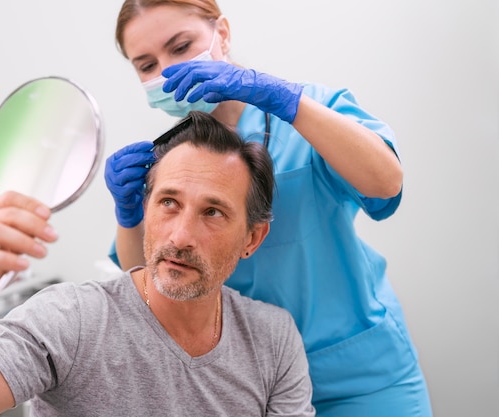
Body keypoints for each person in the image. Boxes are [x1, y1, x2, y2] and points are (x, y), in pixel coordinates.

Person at [104, 1, 433, 416]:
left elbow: (386, 182)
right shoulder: (170, 158)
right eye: (146, 64)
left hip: (361, 376)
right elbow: (147, 282)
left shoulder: (308, 110)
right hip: (247, 382)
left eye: (181, 46)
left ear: (221, 34)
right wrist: (128, 213)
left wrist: (286, 100)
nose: (167, 71)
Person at [0, 111, 316, 417]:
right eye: (168, 203)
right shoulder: (74, 320)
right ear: (145, 208)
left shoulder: (272, 340)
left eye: (213, 213)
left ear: (252, 238)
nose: (181, 236)